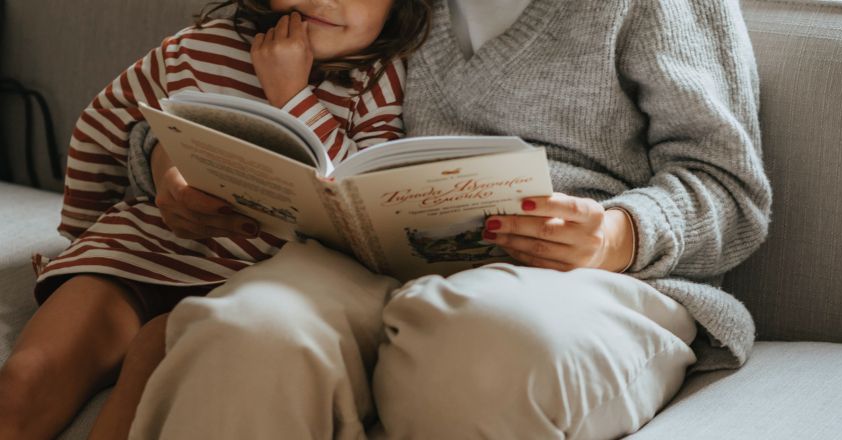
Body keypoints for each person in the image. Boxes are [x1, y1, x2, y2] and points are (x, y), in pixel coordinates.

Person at [118, 0, 772, 438]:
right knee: (245, 334)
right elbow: (224, 63)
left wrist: (619, 234)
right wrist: (175, 165)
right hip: (365, 257)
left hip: (580, 277)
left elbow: (729, 187)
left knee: (482, 349)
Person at [0, 1, 432, 438]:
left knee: (151, 371)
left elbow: (362, 199)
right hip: (144, 248)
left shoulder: (382, 79)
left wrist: (291, 96)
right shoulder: (197, 48)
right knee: (25, 381)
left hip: (255, 279)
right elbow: (103, 121)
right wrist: (77, 232)